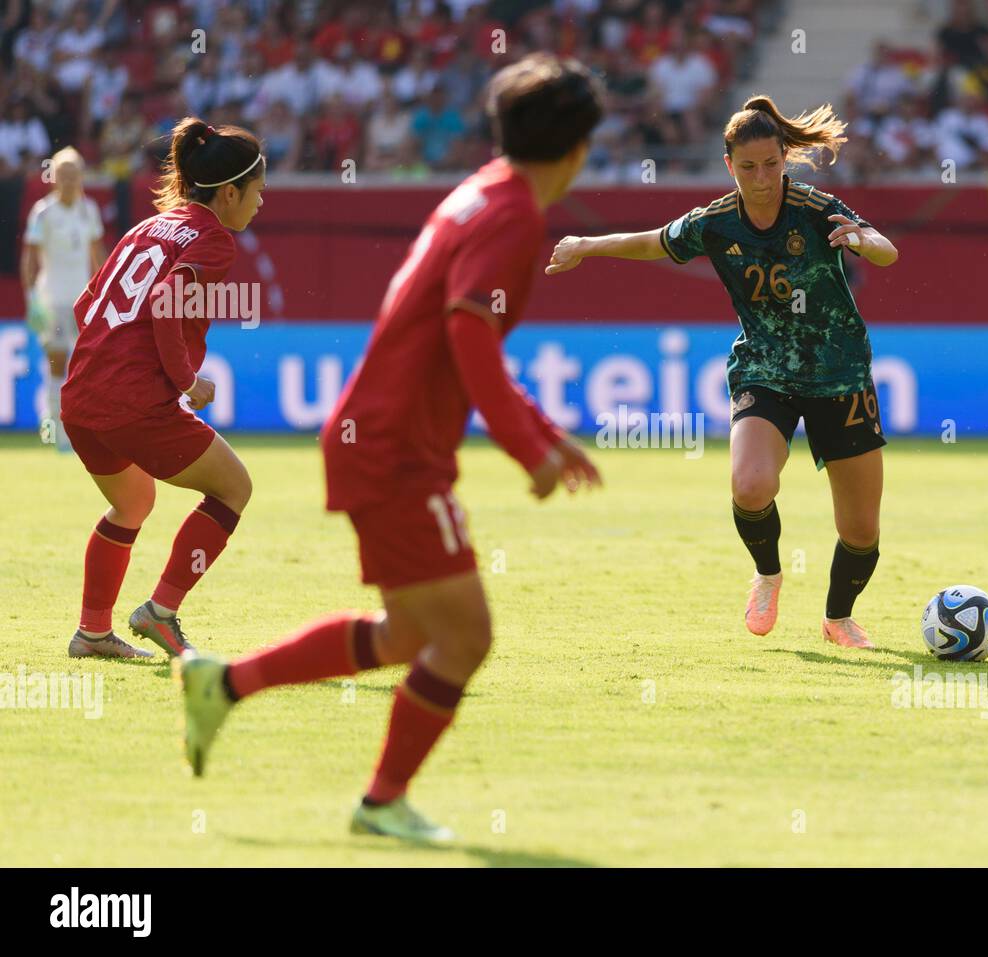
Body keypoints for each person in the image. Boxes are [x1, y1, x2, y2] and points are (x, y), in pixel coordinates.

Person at [177, 53, 605, 846]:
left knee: (411, 635)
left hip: (379, 435)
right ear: (580, 148)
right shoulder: (513, 216)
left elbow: (460, 329)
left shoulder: (483, 192)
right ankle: (380, 802)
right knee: (466, 635)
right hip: (394, 444)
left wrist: (543, 433)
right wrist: (526, 447)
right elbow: (468, 329)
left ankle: (223, 683)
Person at [546, 95, 898, 650]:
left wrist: (863, 239)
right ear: (730, 165)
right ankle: (767, 573)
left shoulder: (815, 207)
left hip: (841, 373)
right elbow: (653, 242)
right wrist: (586, 245)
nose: (762, 178)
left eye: (771, 165)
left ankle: (838, 617)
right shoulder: (715, 223)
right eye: (749, 167)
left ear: (785, 158)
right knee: (751, 484)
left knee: (860, 531)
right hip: (765, 369)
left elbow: (885, 251)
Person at [60, 117, 265, 660]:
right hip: (133, 404)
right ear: (228, 193)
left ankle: (93, 632)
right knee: (233, 489)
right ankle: (160, 612)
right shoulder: (211, 240)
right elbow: (166, 301)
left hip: (81, 397)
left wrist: (110, 366)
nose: (260, 203)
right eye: (258, 191)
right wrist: (185, 381)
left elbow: (87, 306)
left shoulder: (146, 227)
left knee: (132, 503)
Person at [21, 147, 106, 452]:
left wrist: (105, 293)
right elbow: (30, 257)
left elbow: (99, 256)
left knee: (83, 368)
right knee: (57, 363)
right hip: (53, 300)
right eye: (63, 175)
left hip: (82, 302)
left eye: (74, 174)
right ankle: (55, 429)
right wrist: (32, 297)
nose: (69, 181)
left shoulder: (89, 211)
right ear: (54, 177)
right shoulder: (43, 212)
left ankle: (77, 427)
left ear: (81, 176)